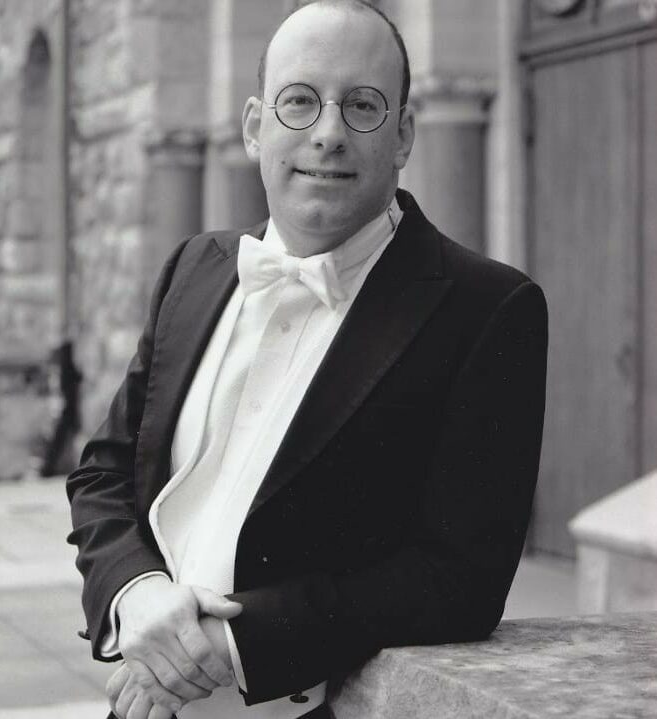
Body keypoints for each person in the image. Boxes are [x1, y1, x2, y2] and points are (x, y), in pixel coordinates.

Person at [66, 2, 548, 718]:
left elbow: (458, 577)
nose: (327, 133)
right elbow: (104, 470)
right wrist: (134, 594)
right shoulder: (195, 267)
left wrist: (224, 644)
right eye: (300, 102)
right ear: (256, 126)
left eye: (362, 105)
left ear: (404, 134)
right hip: (141, 702)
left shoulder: (489, 309)